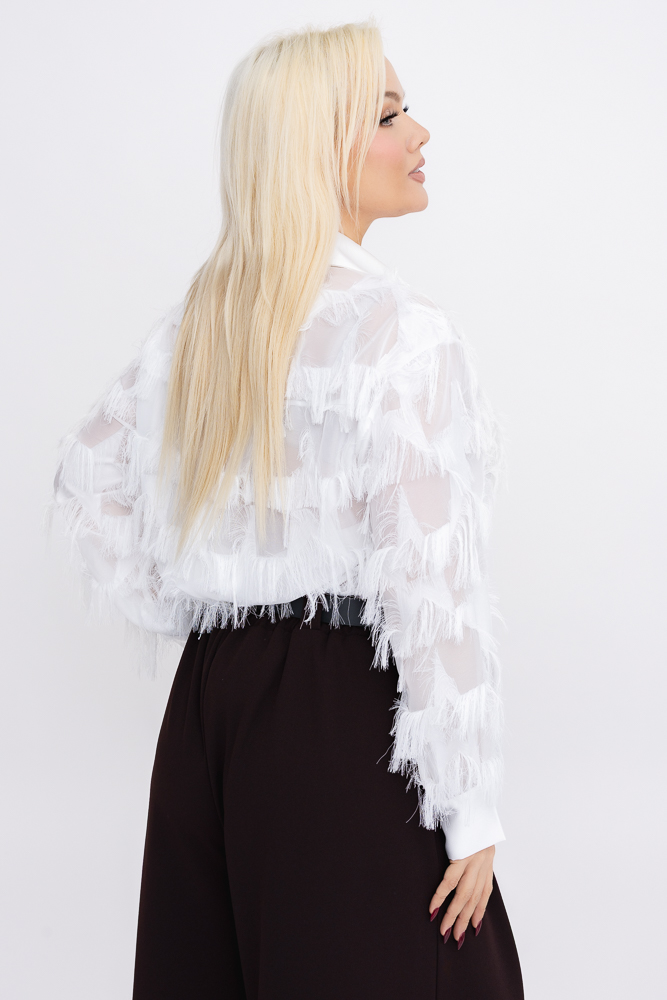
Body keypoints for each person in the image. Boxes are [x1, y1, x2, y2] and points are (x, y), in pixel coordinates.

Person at [52, 20, 524, 1000]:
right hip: (342, 712)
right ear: (319, 147)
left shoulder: (204, 323)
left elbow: (89, 480)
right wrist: (470, 808)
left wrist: (219, 606)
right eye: (387, 115)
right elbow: (429, 581)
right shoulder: (402, 333)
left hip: (210, 710)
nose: (419, 132)